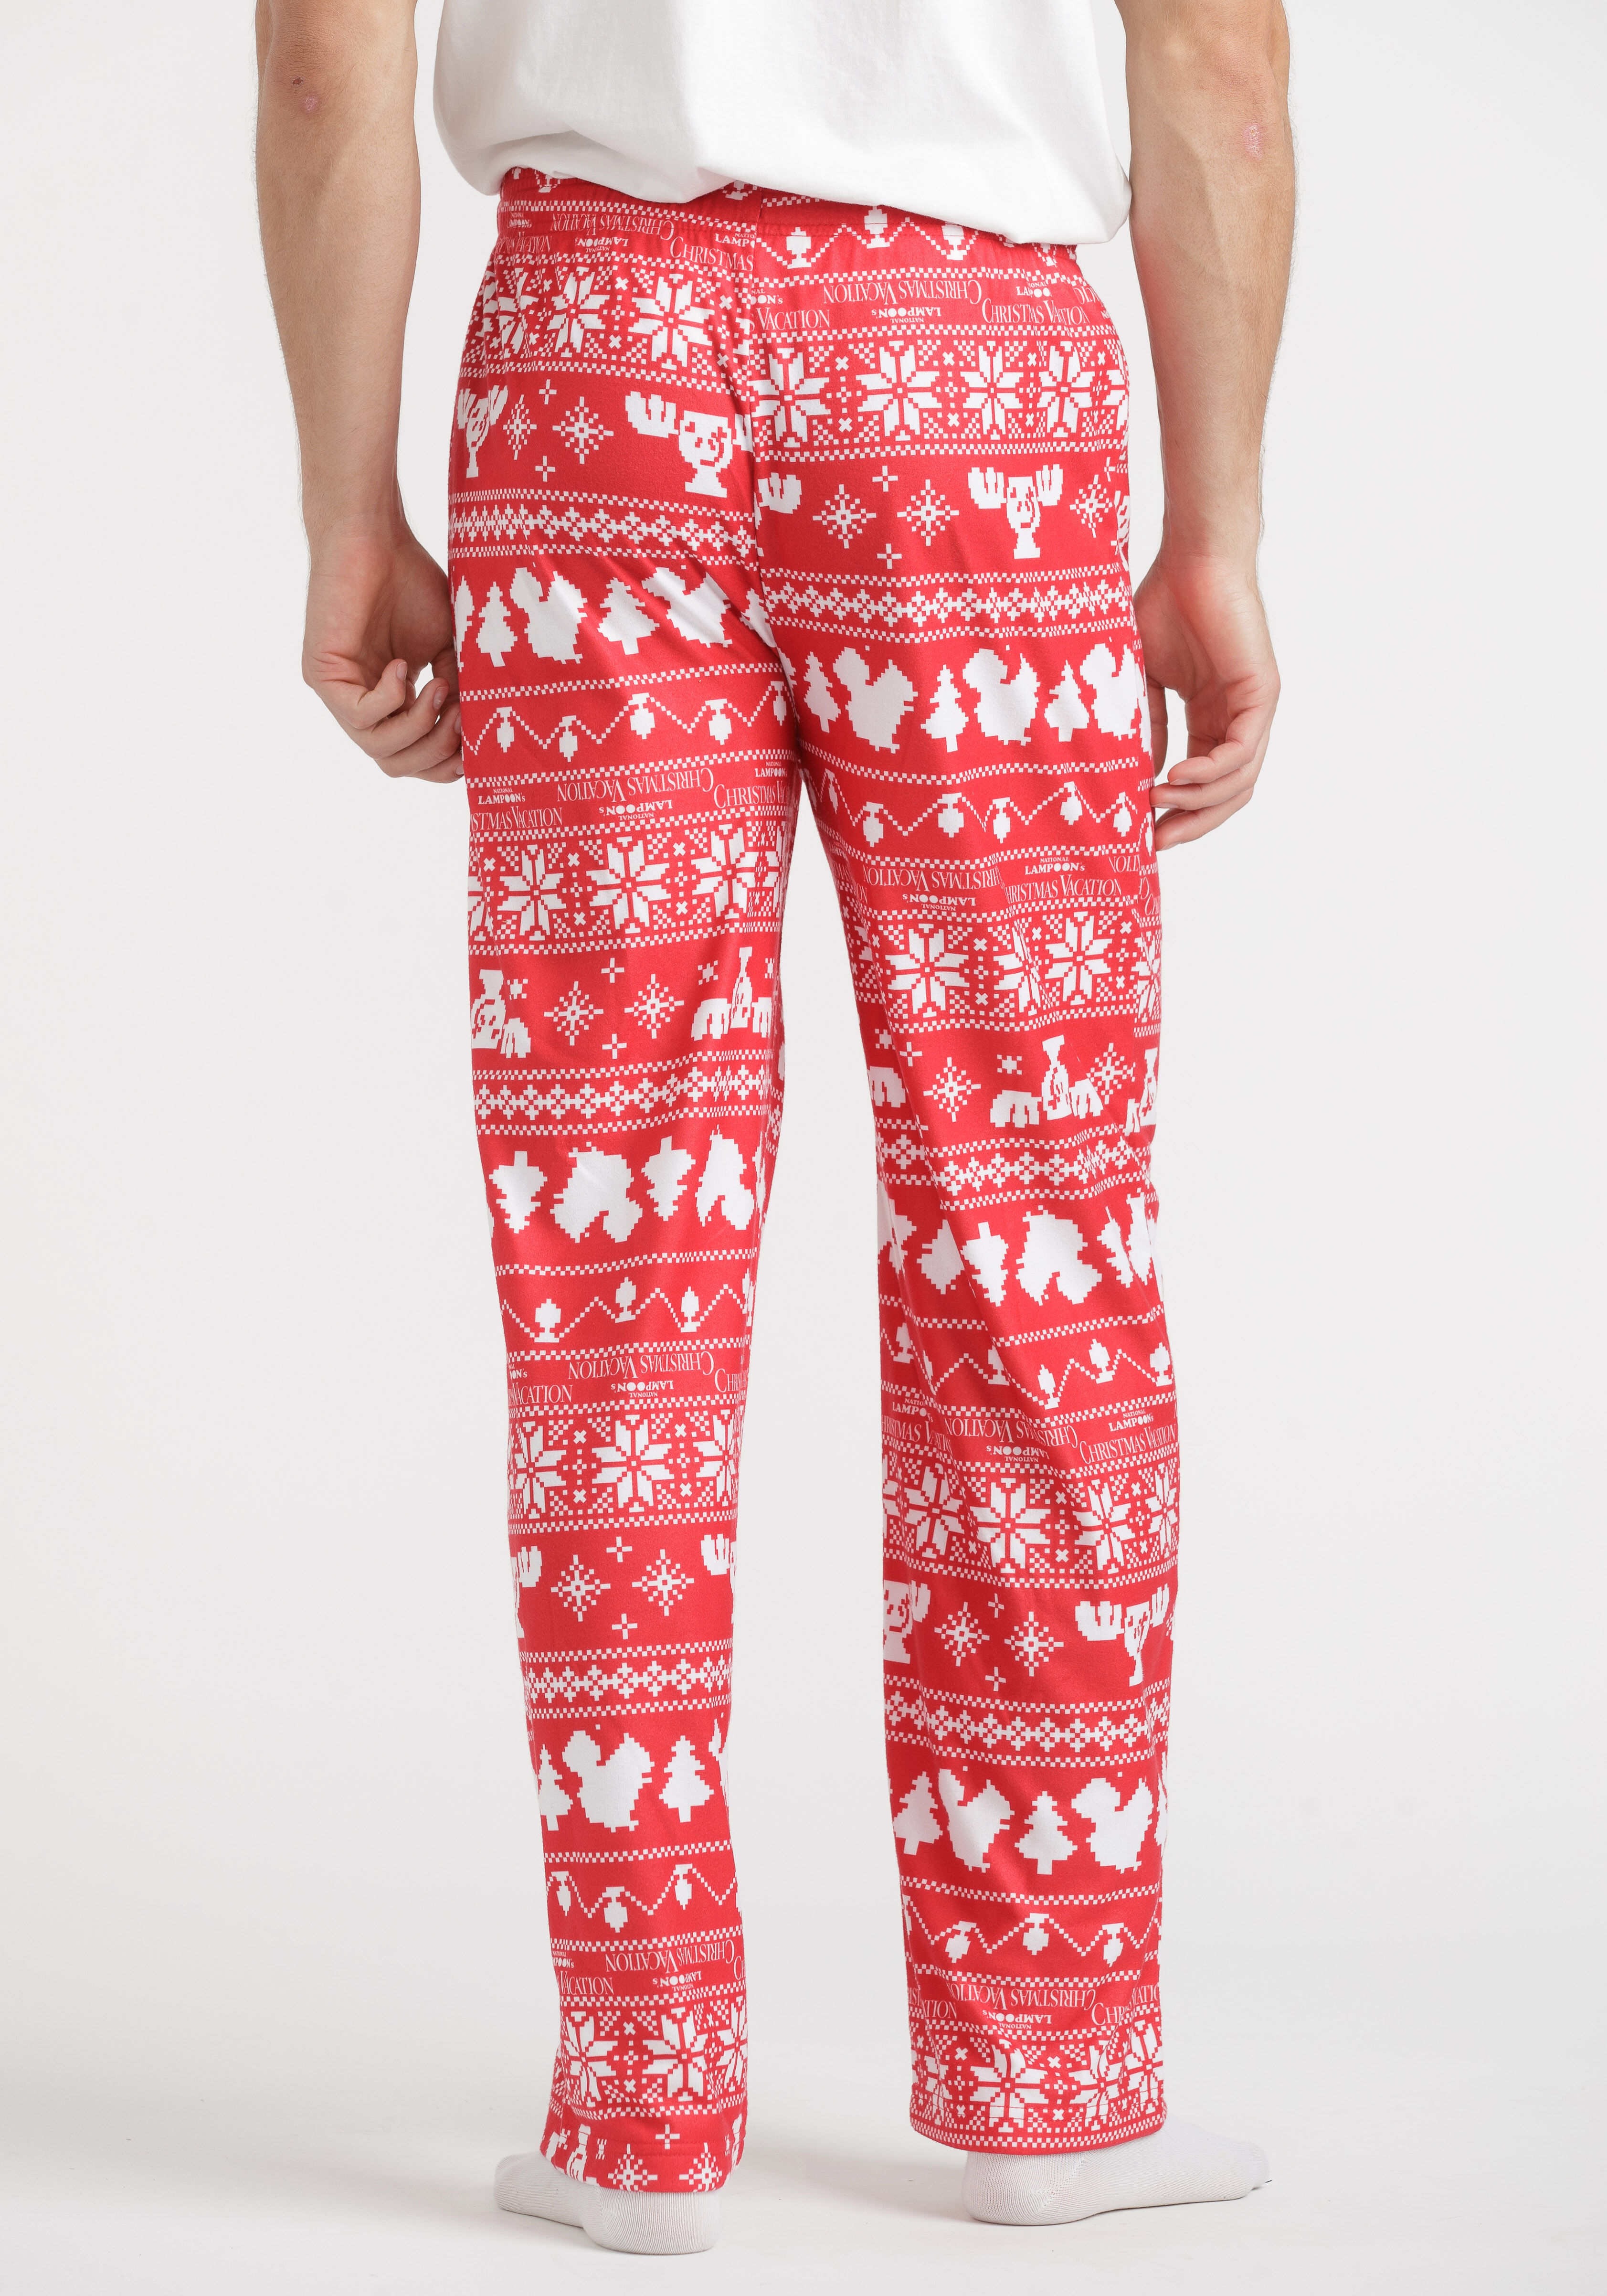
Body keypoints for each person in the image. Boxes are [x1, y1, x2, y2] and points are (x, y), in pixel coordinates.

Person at [256, 0, 1292, 2256]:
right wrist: (1212, 527)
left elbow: (327, 65)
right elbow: (1213, 63)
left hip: (590, 386)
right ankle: (1048, 2084)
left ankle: (638, 2114)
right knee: (1029, 1233)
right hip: (972, 400)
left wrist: (348, 503)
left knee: (610, 1259)